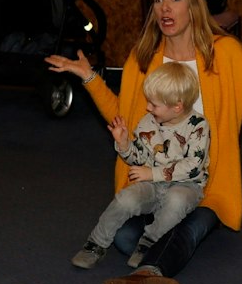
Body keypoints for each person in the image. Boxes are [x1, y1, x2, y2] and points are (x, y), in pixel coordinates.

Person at [47, 0, 242, 284]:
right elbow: (123, 117)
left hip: (203, 181)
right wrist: (89, 78)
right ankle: (155, 250)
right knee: (126, 238)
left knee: (189, 226)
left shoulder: (225, 53)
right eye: (158, 0)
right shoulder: (144, 56)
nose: (165, 8)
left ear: (193, 7)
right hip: (152, 176)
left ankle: (146, 277)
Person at [70, 61, 209, 271]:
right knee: (125, 198)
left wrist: (152, 173)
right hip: (153, 184)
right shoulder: (148, 122)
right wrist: (124, 143)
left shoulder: (198, 126)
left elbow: (193, 166)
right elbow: (138, 157)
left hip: (186, 185)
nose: (148, 107)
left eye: (154, 104)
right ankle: (95, 244)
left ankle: (148, 244)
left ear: (177, 107)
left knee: (176, 200)